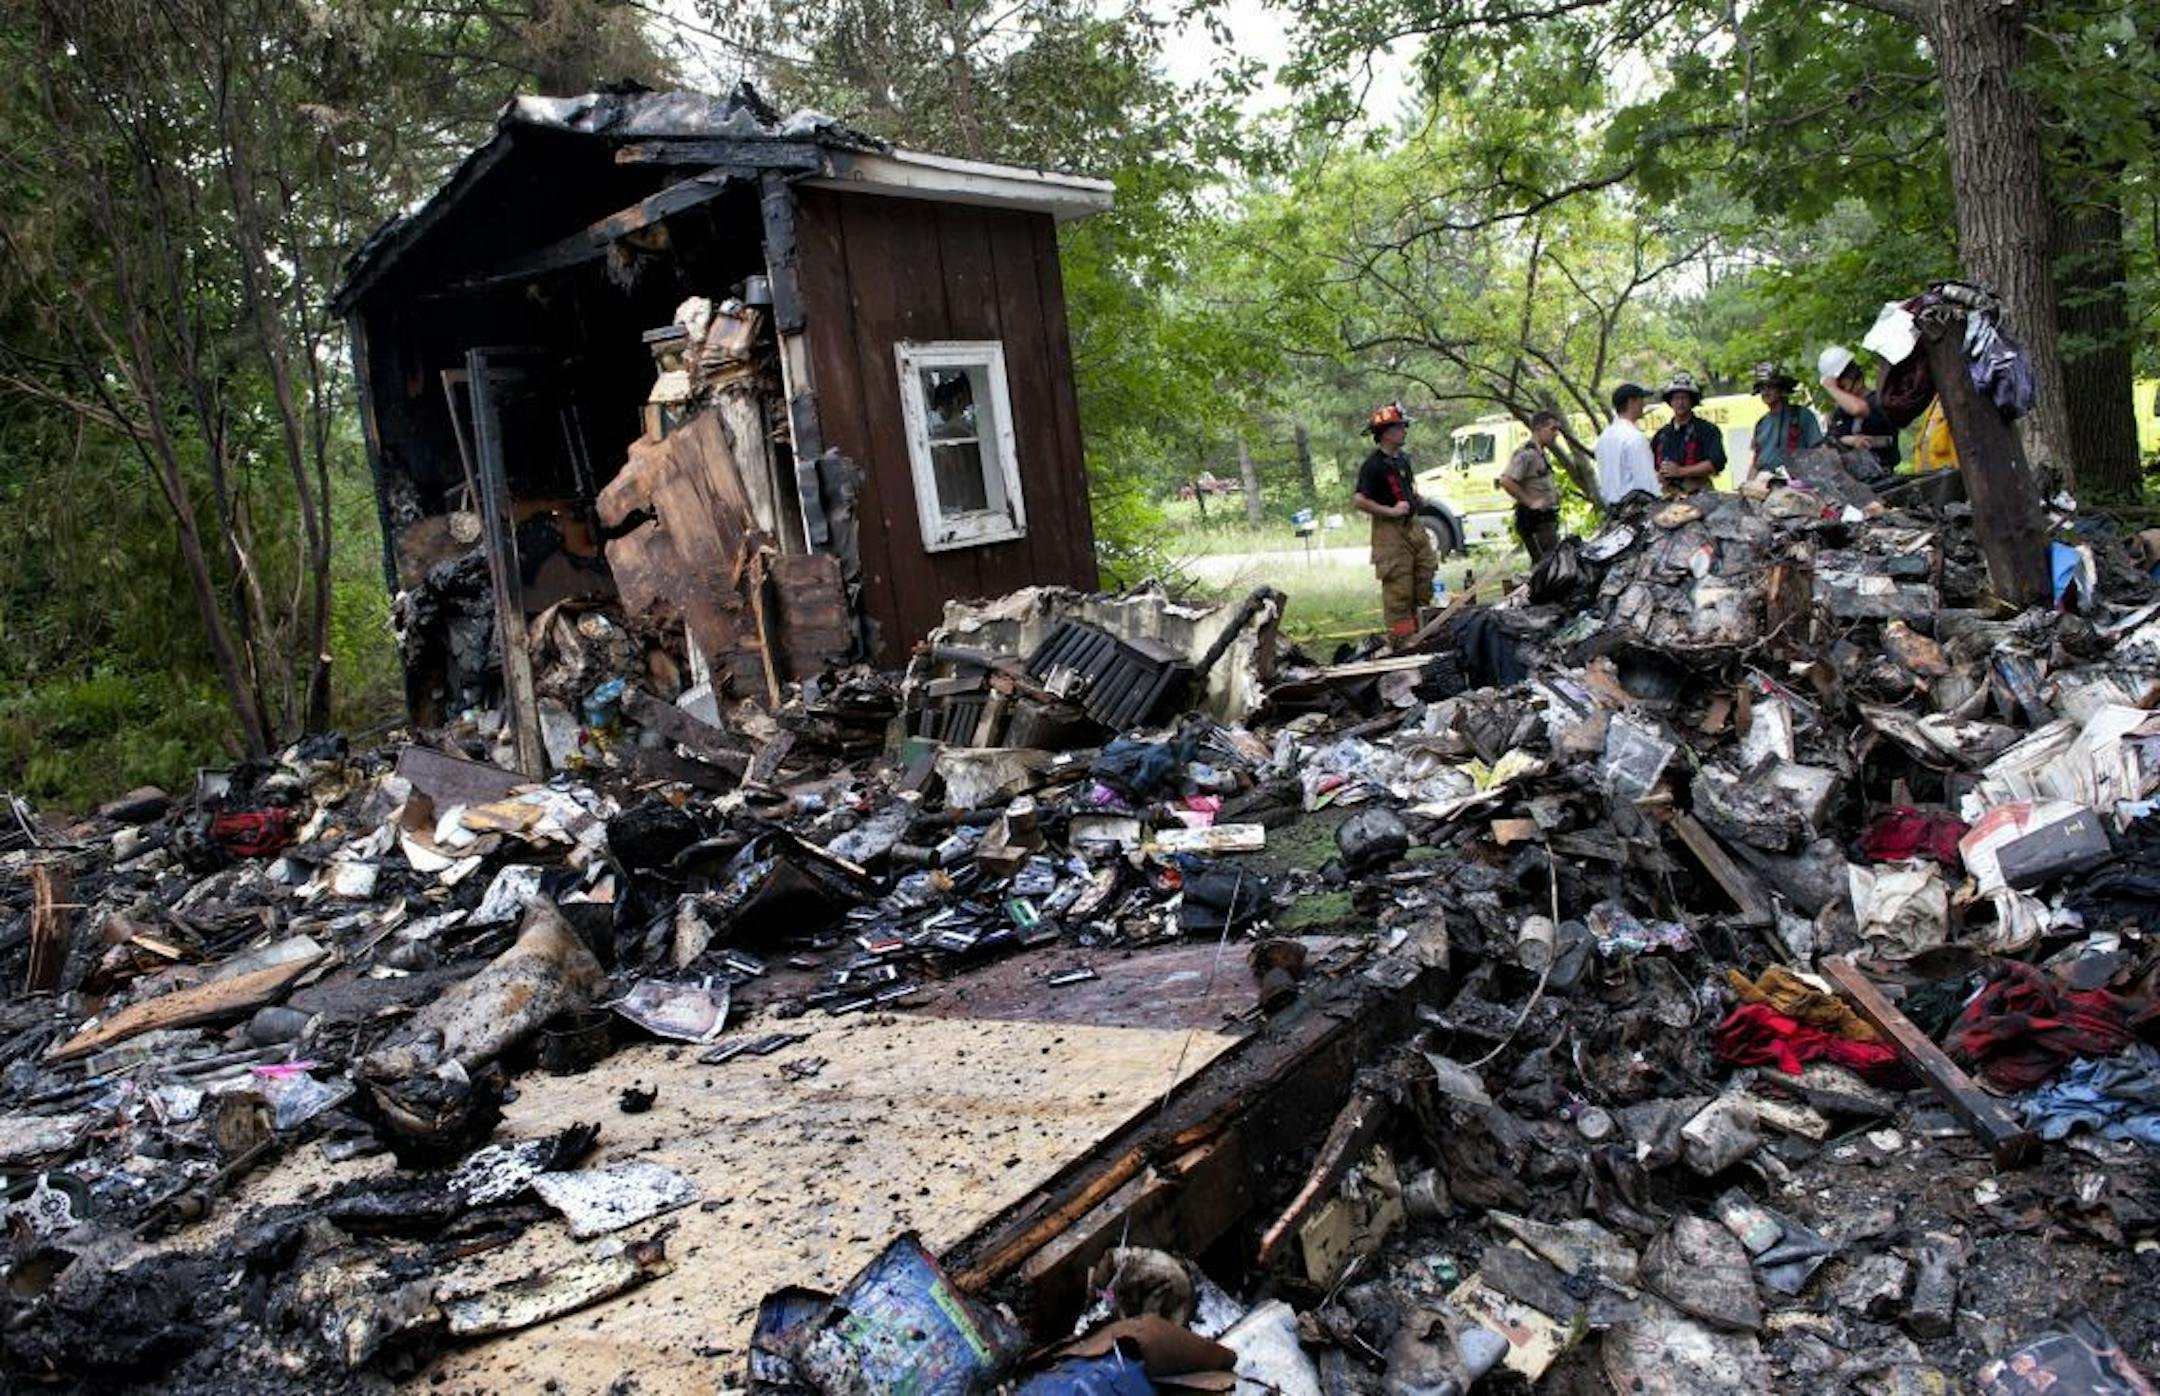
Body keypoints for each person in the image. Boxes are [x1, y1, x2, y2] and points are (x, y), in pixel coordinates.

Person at [1353, 402, 1436, 644]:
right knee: (1399, 592)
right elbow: (1359, 500)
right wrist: (1389, 511)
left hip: (1413, 527)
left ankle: (1423, 634)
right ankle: (1403, 643)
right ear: (1386, 433)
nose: (1404, 431)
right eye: (1399, 427)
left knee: (1425, 575)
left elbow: (1404, 490)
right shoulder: (1373, 465)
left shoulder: (1402, 460)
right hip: (1389, 533)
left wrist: (1417, 500)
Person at [1817, 345, 1902, 481]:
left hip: (1883, 476)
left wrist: (1832, 388)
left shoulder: (1879, 401)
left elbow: (1859, 409)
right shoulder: (1841, 412)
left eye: (1841, 386)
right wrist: (1850, 440)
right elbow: (1831, 439)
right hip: (1856, 481)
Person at [1497, 410, 1563, 563]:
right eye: (1552, 429)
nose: (1556, 434)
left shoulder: (1540, 454)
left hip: (1546, 520)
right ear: (1538, 429)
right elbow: (1506, 481)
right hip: (1535, 522)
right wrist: (1530, 502)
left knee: (1551, 564)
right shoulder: (1526, 454)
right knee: (1545, 565)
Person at [1649, 371, 1725, 492]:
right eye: (1676, 398)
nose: (1680, 402)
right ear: (1670, 401)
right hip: (1668, 493)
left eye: (1684, 398)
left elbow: (1715, 463)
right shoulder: (1661, 435)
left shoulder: (1707, 430)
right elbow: (1650, 465)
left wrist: (1680, 471)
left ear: (1692, 401)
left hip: (1700, 492)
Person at [1748, 361, 1823, 479]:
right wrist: (1748, 484)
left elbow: (1817, 451)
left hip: (1795, 481)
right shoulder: (1761, 424)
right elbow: (1756, 463)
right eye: (1762, 387)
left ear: (1782, 389)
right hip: (1763, 481)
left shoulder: (1801, 415)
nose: (1765, 391)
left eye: (1771, 386)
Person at [1594, 382, 1659, 504]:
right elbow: (1647, 484)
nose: (1643, 404)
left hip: (1612, 509)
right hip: (1634, 509)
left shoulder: (1603, 438)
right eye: (1641, 400)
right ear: (1631, 402)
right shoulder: (1634, 437)